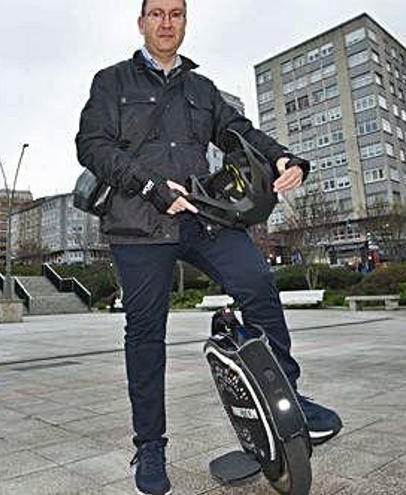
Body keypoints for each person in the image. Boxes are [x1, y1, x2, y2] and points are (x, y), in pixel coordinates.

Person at [75, 1, 342, 493]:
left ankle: (289, 396)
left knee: (257, 283)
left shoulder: (201, 89)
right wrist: (152, 188)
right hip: (139, 221)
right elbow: (92, 146)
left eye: (176, 13)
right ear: (142, 23)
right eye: (156, 13)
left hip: (200, 214)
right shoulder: (111, 81)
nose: (166, 22)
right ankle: (150, 447)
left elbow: (237, 131)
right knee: (146, 333)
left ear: (184, 23)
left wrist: (283, 156)